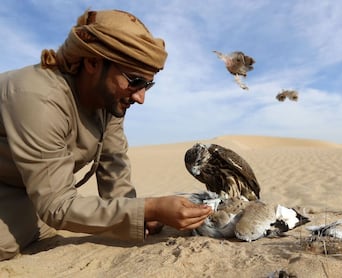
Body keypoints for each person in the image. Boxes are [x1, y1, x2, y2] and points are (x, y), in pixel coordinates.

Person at [0, 9, 212, 261]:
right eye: (134, 81)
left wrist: (142, 215)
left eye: (147, 85)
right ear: (92, 63)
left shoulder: (109, 102)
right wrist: (150, 208)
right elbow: (57, 206)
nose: (140, 97)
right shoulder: (40, 99)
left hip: (27, 190)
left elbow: (115, 168)